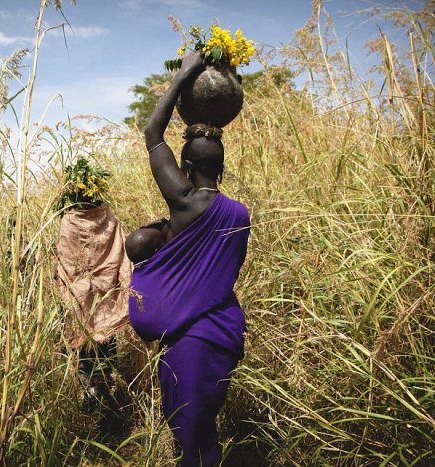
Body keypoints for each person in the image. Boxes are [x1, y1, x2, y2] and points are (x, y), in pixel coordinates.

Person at [128, 51, 251, 466]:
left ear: (184, 165)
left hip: (191, 340)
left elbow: (152, 132)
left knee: (188, 429)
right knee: (203, 423)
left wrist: (182, 75)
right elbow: (220, 274)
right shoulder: (238, 213)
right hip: (222, 330)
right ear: (222, 167)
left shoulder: (182, 203)